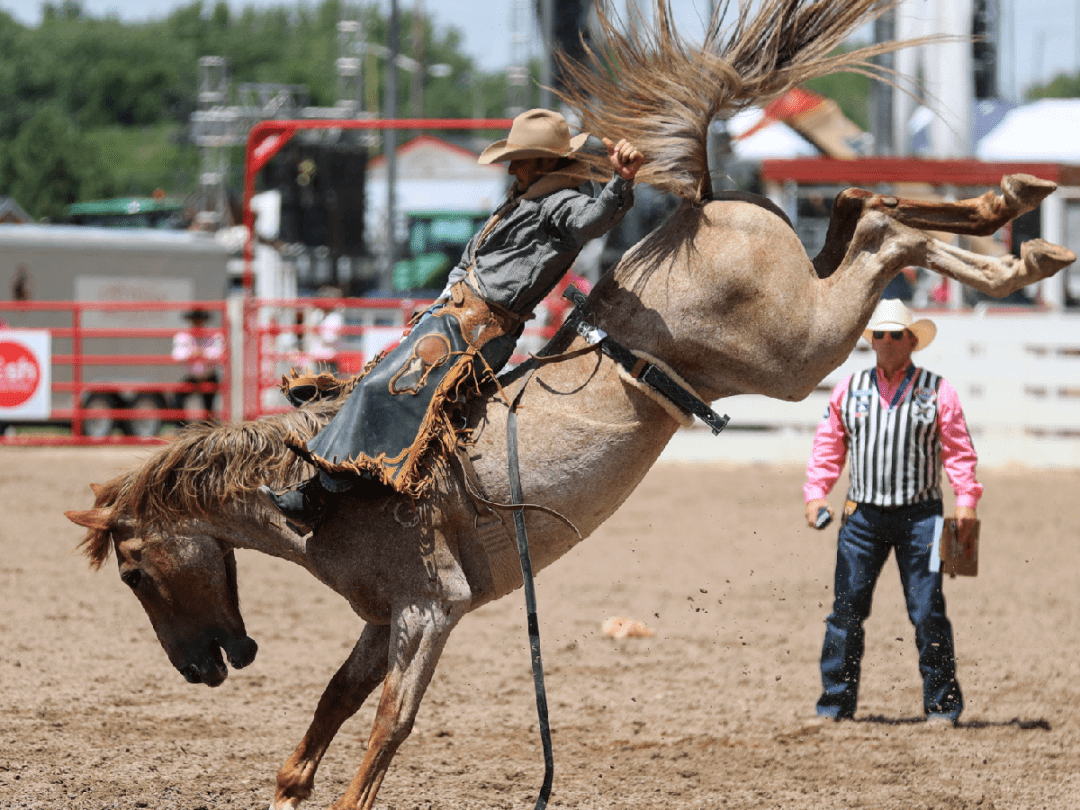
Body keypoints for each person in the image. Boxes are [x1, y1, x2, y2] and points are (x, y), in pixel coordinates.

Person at [259, 108, 644, 530]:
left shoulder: (562, 204)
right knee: (380, 378)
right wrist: (450, 293)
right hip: (453, 320)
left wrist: (620, 182)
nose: (513, 167)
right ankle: (335, 461)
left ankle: (319, 494)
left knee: (380, 387)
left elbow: (594, 220)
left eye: (523, 158)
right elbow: (473, 256)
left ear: (549, 162)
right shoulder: (524, 198)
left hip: (478, 332)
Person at [803, 297, 981, 726]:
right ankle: (834, 705)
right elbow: (829, 445)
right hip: (861, 516)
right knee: (845, 612)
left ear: (911, 340)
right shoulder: (850, 389)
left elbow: (959, 453)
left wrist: (966, 502)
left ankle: (942, 706)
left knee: (927, 612)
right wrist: (816, 493)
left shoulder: (939, 392)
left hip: (922, 519)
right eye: (879, 334)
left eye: (894, 335)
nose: (885, 342)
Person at [172, 308, 225, 421]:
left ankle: (209, 429)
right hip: (193, 377)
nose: (197, 324)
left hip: (209, 377)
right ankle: (182, 427)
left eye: (199, 321)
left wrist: (201, 353)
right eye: (195, 321)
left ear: (204, 322)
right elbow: (177, 355)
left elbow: (219, 354)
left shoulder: (213, 336)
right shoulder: (184, 336)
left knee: (209, 406)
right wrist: (193, 353)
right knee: (178, 396)